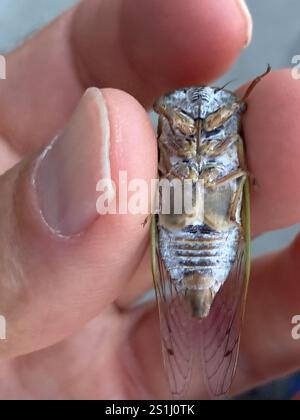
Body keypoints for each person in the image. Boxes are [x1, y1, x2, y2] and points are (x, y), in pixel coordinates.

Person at [0, 0, 299, 400]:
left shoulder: (221, 137)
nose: (193, 124)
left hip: (213, 224)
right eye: (177, 119)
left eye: (219, 119)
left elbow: (239, 174)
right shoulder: (200, 133)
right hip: (190, 221)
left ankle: (207, 297)